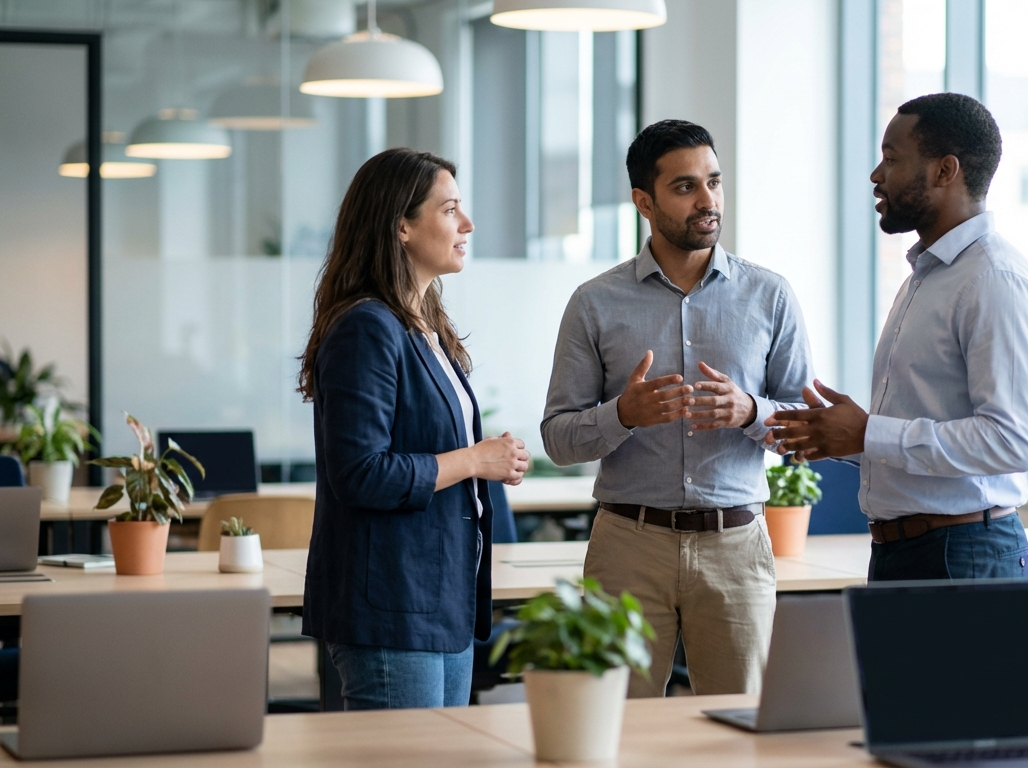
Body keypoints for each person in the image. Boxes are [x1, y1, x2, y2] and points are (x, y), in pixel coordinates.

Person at [542, 120, 812, 697]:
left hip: (736, 546)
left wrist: (750, 412)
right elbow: (559, 440)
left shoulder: (771, 296)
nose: (708, 200)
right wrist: (623, 414)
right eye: (685, 187)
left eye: (714, 181)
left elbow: (807, 432)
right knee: (616, 729)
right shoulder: (594, 302)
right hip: (628, 546)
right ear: (644, 201)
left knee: (739, 736)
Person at [766, 92, 1028, 582]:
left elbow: (1011, 442)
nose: (877, 176)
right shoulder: (928, 275)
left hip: (962, 553)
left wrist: (867, 431)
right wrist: (839, 434)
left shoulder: (994, 282)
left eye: (892, 159)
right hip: (909, 551)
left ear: (946, 171)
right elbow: (922, 430)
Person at [298, 148, 531, 709]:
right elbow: (360, 473)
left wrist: (489, 457)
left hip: (439, 599)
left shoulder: (426, 327)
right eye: (450, 210)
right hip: (391, 605)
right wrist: (476, 460)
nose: (467, 224)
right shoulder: (367, 327)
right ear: (401, 226)